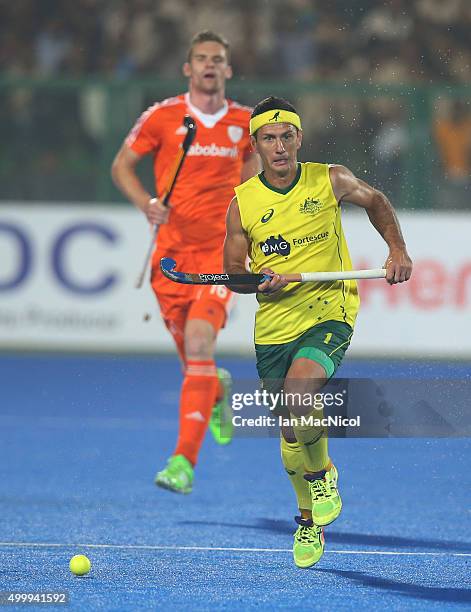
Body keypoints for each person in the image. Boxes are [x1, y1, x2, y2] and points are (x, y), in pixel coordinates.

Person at [223, 96, 412, 568]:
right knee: (290, 429)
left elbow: (377, 201)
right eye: (270, 138)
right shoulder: (243, 202)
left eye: (288, 136)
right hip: (274, 325)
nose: (280, 146)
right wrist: (256, 282)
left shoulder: (330, 178)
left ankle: (324, 473)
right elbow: (234, 272)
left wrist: (397, 251)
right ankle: (307, 521)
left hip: (330, 307)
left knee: (300, 390)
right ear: (256, 145)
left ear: (299, 139)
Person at [111, 31, 260, 494]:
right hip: (170, 260)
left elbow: (256, 190)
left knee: (199, 342)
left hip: (220, 259)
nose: (210, 65)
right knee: (193, 360)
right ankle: (214, 388)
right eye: (201, 58)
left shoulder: (245, 123)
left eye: (218, 58)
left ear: (228, 70)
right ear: (188, 69)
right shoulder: (163, 116)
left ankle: (183, 462)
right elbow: (121, 166)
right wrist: (146, 205)